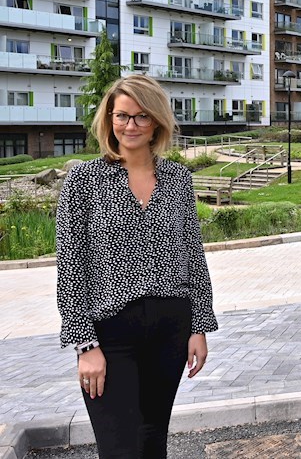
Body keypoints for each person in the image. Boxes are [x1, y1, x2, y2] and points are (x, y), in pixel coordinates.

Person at [56, 74, 218, 458]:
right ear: (109, 120)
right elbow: (70, 266)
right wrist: (85, 345)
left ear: (157, 122)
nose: (130, 126)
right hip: (111, 335)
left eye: (141, 117)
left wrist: (200, 327)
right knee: (120, 448)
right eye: (122, 116)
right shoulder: (84, 179)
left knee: (151, 442)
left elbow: (193, 256)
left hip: (170, 328)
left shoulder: (177, 179)